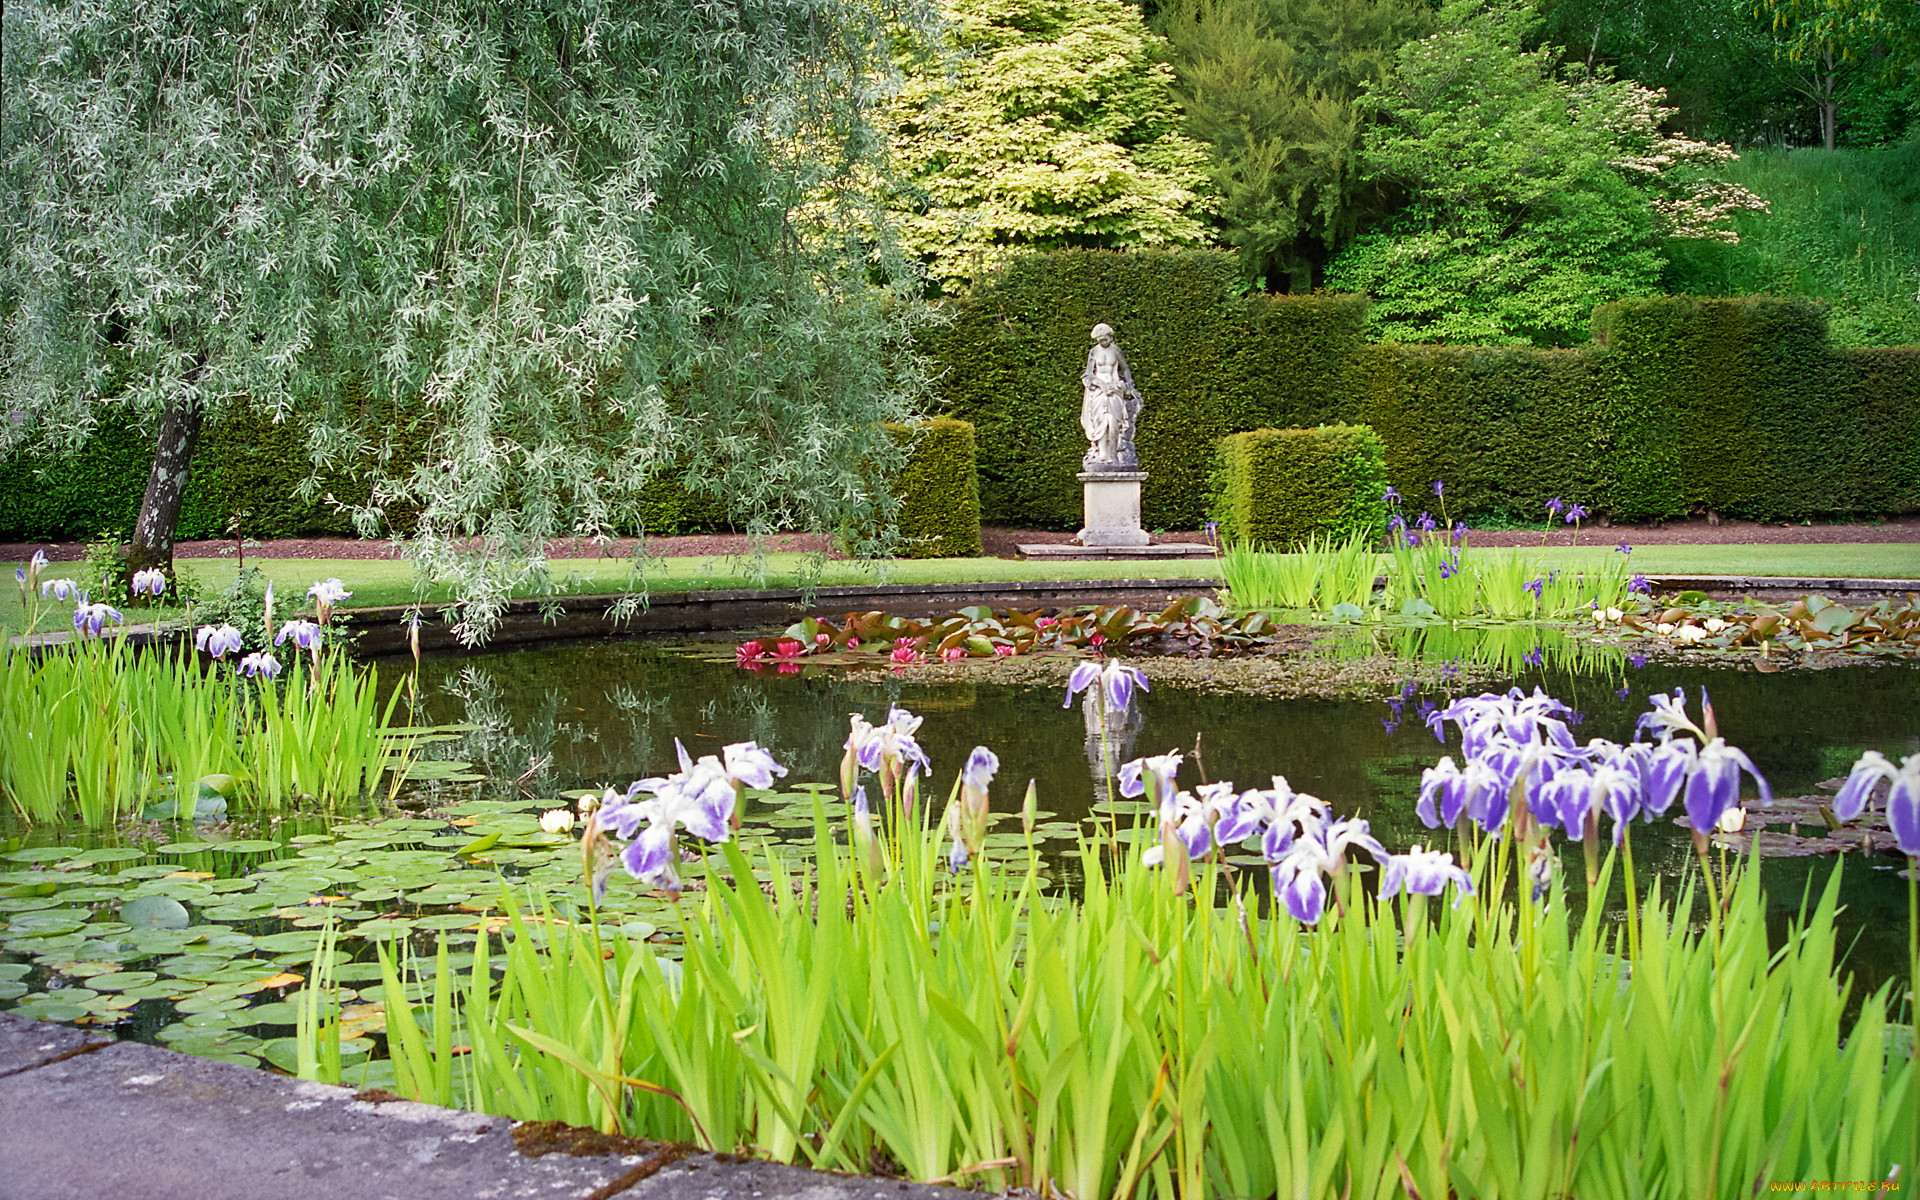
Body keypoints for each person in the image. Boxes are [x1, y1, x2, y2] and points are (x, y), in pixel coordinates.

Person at [1080, 323, 1143, 469]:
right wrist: (1101, 385)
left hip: (1115, 389)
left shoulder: (1116, 350)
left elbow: (1125, 368)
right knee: (1100, 422)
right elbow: (1088, 374)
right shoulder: (1094, 352)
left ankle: (1113, 454)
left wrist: (1129, 385)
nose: (1103, 342)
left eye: (1105, 339)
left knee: (1114, 421)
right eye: (1100, 340)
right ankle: (1103, 454)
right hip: (1099, 391)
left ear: (1110, 337)